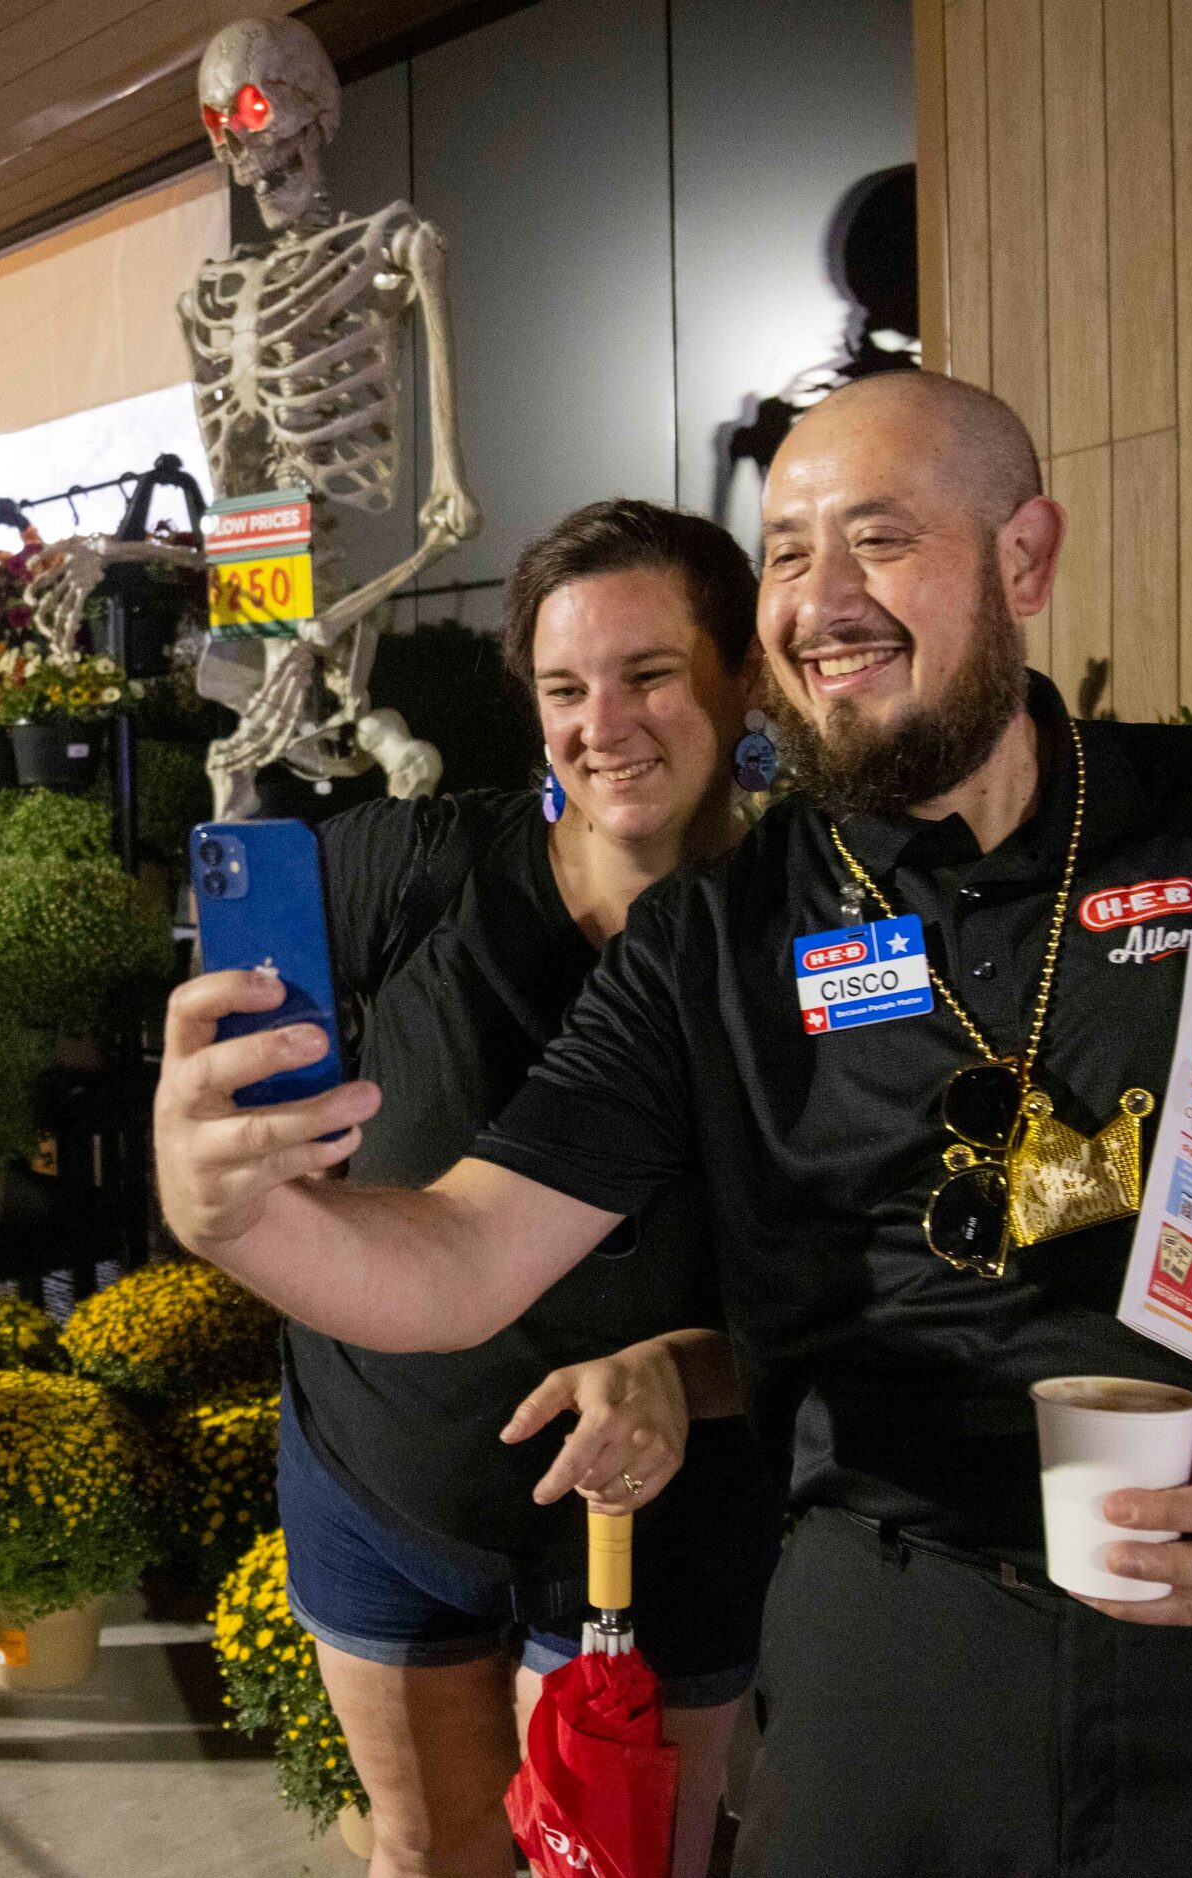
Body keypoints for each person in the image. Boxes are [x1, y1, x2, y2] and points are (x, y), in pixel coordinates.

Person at [153, 373, 1192, 1877]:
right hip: (892, 1654)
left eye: (877, 538)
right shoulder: (713, 939)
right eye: (789, 552)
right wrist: (242, 1216)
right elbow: (456, 1258)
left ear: (1024, 559)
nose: (822, 600)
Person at [278, 501, 779, 1878]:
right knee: (427, 1849)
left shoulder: (823, 934)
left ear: (742, 676)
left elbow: (876, 1267)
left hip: (658, 1515)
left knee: (627, 1869)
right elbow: (242, 1013)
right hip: (387, 1477)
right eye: (564, 688)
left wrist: (692, 1365)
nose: (601, 722)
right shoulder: (415, 863)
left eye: (651, 674)